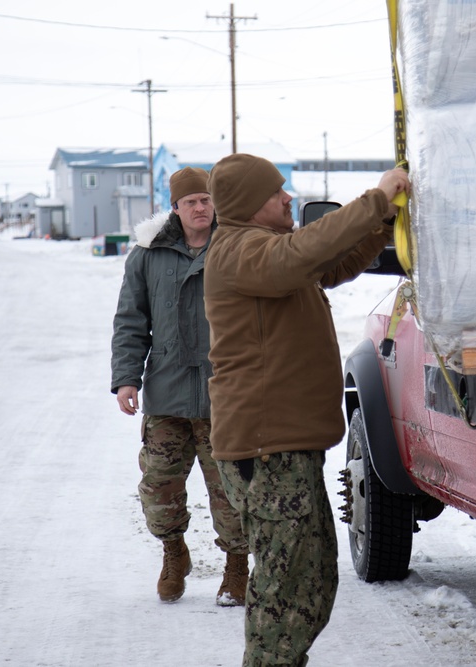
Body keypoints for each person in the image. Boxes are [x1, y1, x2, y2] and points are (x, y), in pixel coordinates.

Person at [204, 153, 410, 666]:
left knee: (312, 581)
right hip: (266, 452)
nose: (288, 198)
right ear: (250, 204)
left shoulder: (267, 252)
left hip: (287, 450)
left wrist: (382, 224)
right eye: (276, 192)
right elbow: (301, 254)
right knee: (285, 593)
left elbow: (331, 263)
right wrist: (376, 199)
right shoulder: (239, 251)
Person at [110, 166, 249, 606]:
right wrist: (126, 379)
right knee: (159, 488)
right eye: (191, 201)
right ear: (175, 207)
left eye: (206, 200)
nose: (200, 207)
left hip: (224, 394)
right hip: (167, 393)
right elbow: (131, 320)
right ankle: (174, 553)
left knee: (230, 491)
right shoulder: (148, 254)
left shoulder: (235, 246)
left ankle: (236, 566)